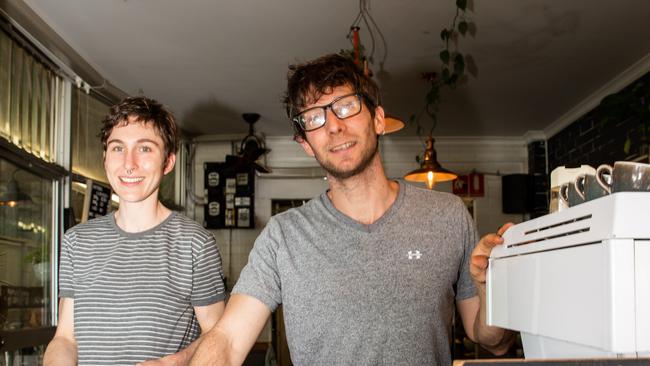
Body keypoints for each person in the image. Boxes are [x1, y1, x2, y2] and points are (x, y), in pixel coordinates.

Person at [188, 54, 515, 365]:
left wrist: (493, 289)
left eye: (345, 107)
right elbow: (228, 341)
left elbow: (492, 341)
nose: (333, 126)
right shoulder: (283, 236)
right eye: (315, 118)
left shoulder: (449, 215)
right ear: (306, 144)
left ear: (378, 120)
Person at [43, 97, 227, 366]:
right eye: (118, 148)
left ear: (168, 162)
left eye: (145, 149)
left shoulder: (194, 243)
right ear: (105, 158)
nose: (129, 164)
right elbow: (65, 339)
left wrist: (174, 362)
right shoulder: (76, 241)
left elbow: (219, 336)